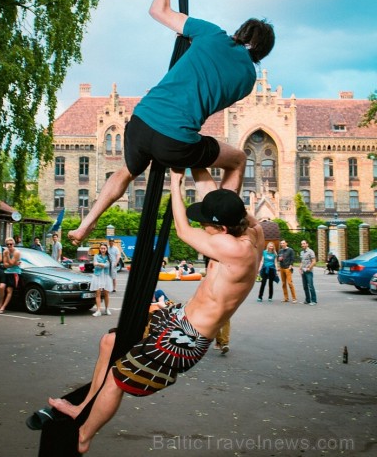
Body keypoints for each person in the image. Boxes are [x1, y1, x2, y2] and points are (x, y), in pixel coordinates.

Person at [48, 169, 264, 454]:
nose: (203, 227)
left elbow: (183, 230)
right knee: (110, 342)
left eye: (207, 224)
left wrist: (174, 182)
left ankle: (83, 437)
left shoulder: (234, 249)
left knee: (117, 378)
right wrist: (195, 164)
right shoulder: (253, 232)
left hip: (185, 338)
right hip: (178, 317)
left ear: (222, 229)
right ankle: (83, 408)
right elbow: (223, 202)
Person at [68, 0, 275, 246]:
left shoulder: (212, 34)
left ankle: (86, 224)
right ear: (262, 52)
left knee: (127, 171)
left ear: (241, 32)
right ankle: (222, 224)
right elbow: (210, 101)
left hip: (141, 121)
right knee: (236, 159)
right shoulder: (247, 81)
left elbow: (157, 11)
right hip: (175, 141)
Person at [0, 237, 22, 314]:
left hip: (14, 272)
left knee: (9, 290)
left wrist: (8, 257)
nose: (9, 245)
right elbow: (5, 265)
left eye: (10, 244)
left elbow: (11, 263)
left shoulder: (16, 252)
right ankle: (0, 304)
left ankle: (3, 307)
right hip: (6, 272)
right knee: (1, 287)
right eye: (7, 244)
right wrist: (13, 263)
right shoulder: (5, 251)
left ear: (13, 244)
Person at [90, 243, 112, 317]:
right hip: (98, 275)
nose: (103, 250)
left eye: (104, 248)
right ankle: (98, 310)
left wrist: (98, 263)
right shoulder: (96, 256)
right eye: (101, 248)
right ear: (99, 249)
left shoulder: (109, 257)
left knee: (106, 293)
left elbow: (107, 265)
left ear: (106, 249)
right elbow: (94, 264)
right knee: (98, 293)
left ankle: (106, 309)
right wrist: (102, 264)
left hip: (106, 276)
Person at [299, 240, 317, 305]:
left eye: (304, 244)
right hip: (303, 271)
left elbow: (314, 261)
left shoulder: (310, 251)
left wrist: (309, 268)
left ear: (307, 244)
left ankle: (314, 300)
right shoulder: (301, 252)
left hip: (309, 271)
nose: (303, 245)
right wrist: (300, 268)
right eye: (302, 244)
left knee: (311, 286)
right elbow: (302, 261)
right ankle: (307, 300)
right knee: (305, 286)